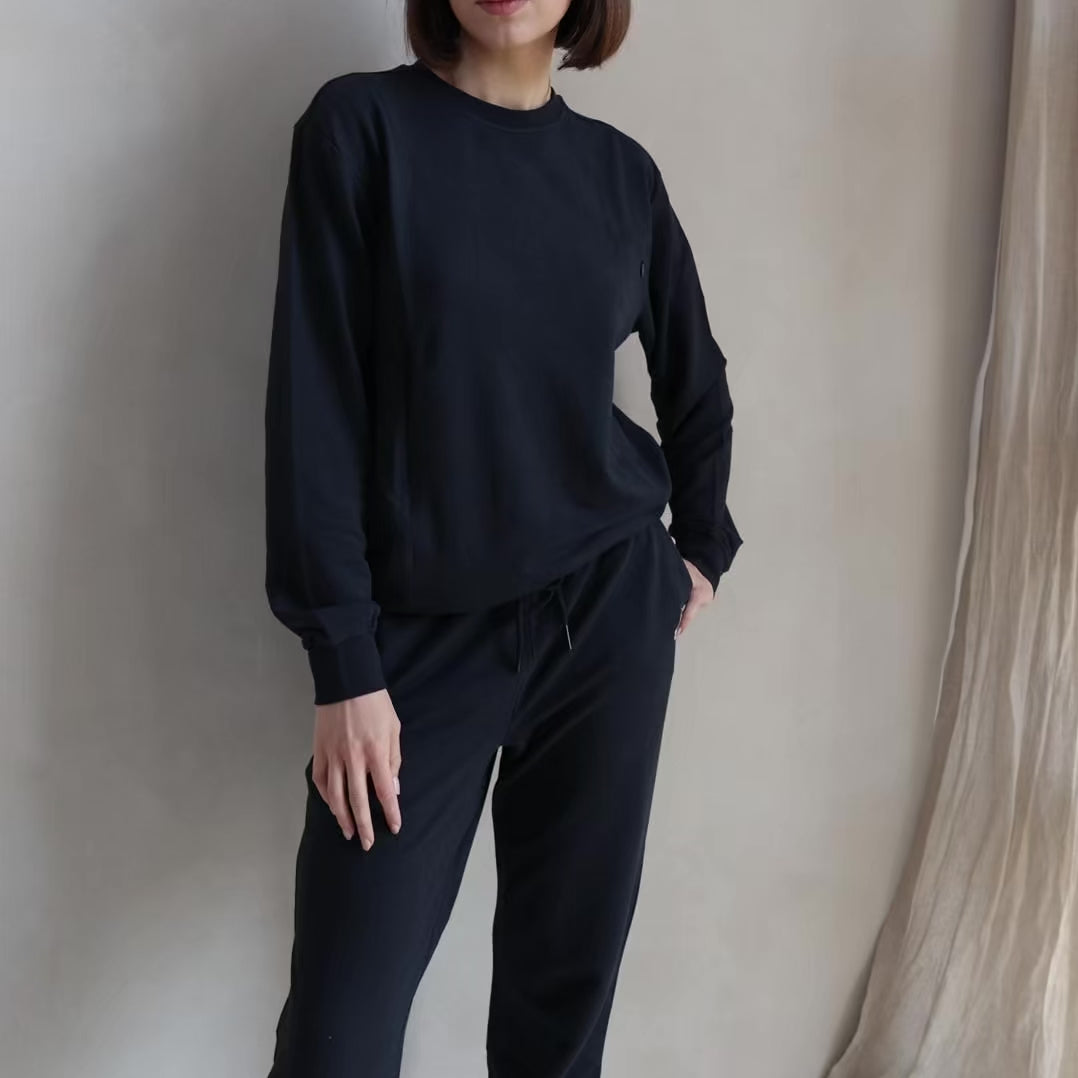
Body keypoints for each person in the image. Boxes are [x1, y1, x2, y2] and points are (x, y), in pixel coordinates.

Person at [262, 0, 743, 1074]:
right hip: (415, 645)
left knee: (557, 1018)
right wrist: (344, 662)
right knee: (338, 1034)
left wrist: (701, 542)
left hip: (606, 623)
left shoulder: (619, 176)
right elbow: (314, 406)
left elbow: (696, 378)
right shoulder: (361, 130)